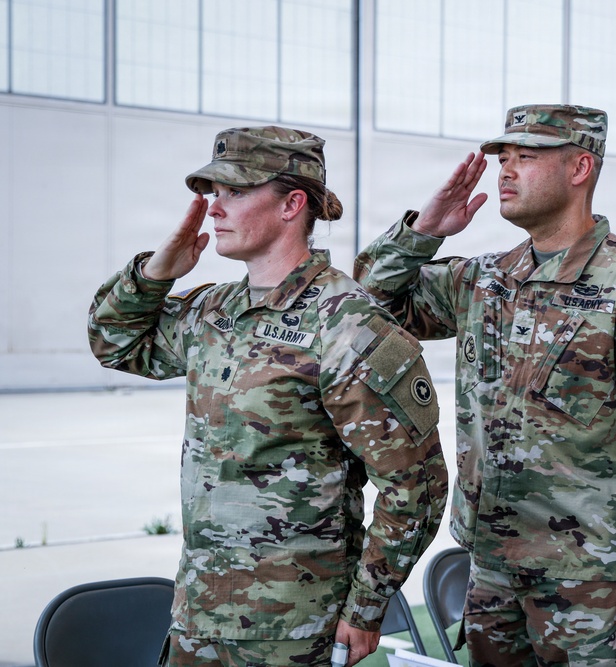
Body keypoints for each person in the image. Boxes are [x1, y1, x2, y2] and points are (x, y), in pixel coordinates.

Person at [354, 104, 616, 666]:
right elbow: (368, 306)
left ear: (580, 168)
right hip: (492, 569)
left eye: (526, 157)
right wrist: (422, 232)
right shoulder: (485, 279)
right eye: (503, 157)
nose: (505, 170)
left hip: (593, 582)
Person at [88, 126, 448, 667]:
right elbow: (115, 345)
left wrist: (367, 606)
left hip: (291, 630)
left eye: (235, 192)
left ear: (291, 204)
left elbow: (415, 486)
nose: (214, 209)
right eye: (215, 193)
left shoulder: (348, 325)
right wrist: (154, 273)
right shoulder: (214, 310)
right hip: (197, 615)